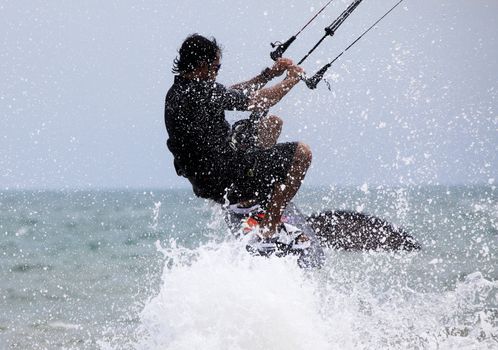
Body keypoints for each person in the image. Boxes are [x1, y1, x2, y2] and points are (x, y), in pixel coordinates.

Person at [164, 34, 311, 247]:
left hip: (204, 178)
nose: (217, 72)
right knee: (301, 154)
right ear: (203, 66)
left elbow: (231, 92)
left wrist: (268, 75)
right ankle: (268, 230)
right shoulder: (203, 91)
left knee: (271, 125)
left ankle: (249, 203)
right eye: (216, 67)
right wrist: (291, 80)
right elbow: (259, 101)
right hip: (225, 176)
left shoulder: (179, 91)